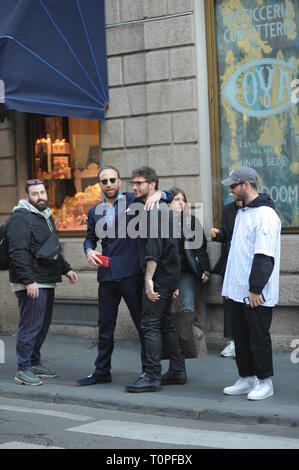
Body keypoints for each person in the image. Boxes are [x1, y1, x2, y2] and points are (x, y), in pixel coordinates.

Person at [77, 166, 172, 386]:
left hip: (131, 274)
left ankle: (147, 372)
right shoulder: (94, 211)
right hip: (107, 275)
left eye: (112, 179)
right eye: (104, 181)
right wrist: (89, 250)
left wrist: (161, 194)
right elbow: (89, 238)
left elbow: (172, 195)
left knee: (142, 326)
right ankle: (102, 371)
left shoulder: (133, 199)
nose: (108, 184)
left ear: (119, 181)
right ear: (99, 185)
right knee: (105, 327)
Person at [7, 179, 78, 386]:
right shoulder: (20, 217)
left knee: (42, 325)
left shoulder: (45, 216)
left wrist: (67, 269)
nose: (40, 197)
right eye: (35, 194)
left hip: (46, 280)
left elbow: (52, 248)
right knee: (30, 325)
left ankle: (34, 362)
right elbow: (18, 252)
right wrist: (29, 280)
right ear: (27, 196)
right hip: (31, 282)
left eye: (42, 193)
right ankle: (23, 368)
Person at [220, 166, 281, 401]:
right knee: (241, 337)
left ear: (246, 185)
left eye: (233, 186)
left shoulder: (265, 215)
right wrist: (228, 288)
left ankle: (265, 382)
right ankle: (247, 378)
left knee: (258, 338)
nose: (230, 191)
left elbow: (264, 255)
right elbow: (237, 253)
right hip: (236, 290)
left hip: (256, 292)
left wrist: (256, 288)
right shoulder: (243, 212)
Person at [125, 167, 185, 393]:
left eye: (139, 183)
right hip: (169, 275)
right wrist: (165, 194)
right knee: (165, 322)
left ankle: (151, 375)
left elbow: (154, 248)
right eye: (133, 183)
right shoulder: (161, 206)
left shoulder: (153, 210)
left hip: (158, 276)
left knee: (149, 323)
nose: (134, 187)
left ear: (152, 185)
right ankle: (178, 371)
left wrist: (149, 279)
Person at [169, 188, 210, 314]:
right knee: (167, 309)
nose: (181, 202)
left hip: (185, 270)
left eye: (183, 200)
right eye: (177, 199)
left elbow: (200, 247)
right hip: (167, 271)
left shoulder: (191, 221)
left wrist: (204, 269)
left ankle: (186, 333)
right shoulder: (163, 222)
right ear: (168, 203)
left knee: (187, 308)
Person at [210, 200, 242, 358]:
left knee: (247, 304)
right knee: (229, 302)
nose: (231, 191)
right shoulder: (228, 209)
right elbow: (225, 234)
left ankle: (246, 344)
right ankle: (232, 342)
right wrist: (218, 234)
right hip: (229, 262)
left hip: (246, 263)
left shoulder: (256, 208)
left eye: (234, 186)